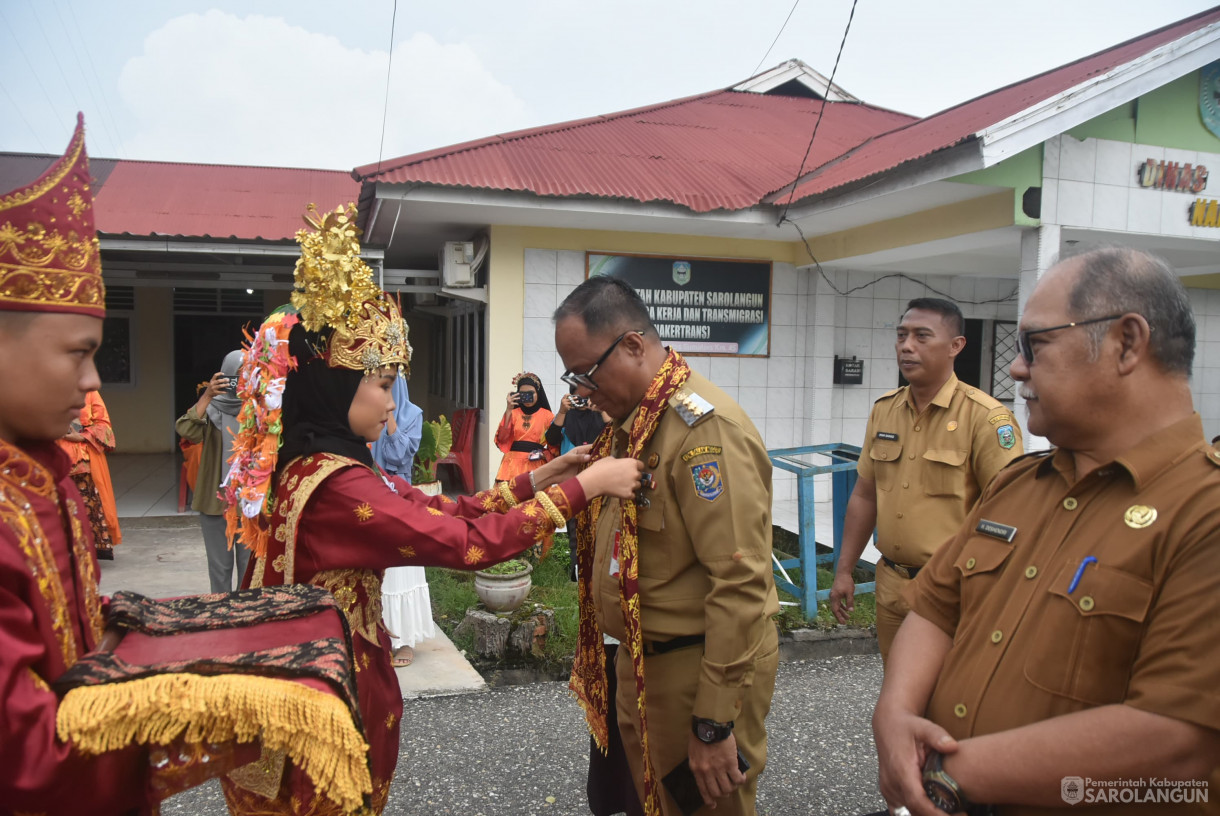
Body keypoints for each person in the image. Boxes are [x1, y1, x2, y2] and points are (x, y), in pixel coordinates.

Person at [220, 204, 644, 815]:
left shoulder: (321, 467)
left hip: (313, 682)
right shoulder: (339, 486)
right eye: (383, 384)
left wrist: (542, 477)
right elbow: (465, 545)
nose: (393, 405)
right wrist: (585, 487)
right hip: (325, 707)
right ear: (336, 387)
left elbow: (443, 508)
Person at [0, 115, 287, 815]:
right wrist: (223, 712)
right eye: (79, 351)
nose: (95, 380)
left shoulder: (42, 483)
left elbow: (62, 625)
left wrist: (152, 634)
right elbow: (28, 753)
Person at [873, 248, 1220, 816]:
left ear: (1127, 344)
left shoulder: (1204, 511)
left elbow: (1176, 738)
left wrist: (945, 775)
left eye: (1036, 344)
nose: (1016, 366)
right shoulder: (1020, 484)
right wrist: (893, 712)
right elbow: (937, 607)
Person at [556, 276, 780, 816]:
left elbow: (741, 580)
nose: (581, 390)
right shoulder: (633, 427)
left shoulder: (702, 431)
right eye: (573, 376)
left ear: (633, 345)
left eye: (587, 373)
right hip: (642, 662)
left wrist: (714, 720)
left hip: (697, 670)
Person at [829, 297, 1024, 663]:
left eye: (922, 336)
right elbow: (865, 496)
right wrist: (844, 570)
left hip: (953, 588)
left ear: (956, 346)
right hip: (891, 582)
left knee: (948, 695)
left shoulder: (985, 419)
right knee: (897, 689)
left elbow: (1010, 515)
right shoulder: (884, 410)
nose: (906, 346)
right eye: (902, 335)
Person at [370, 372, 433, 668]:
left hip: (398, 495)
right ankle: (375, 634)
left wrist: (389, 415)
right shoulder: (364, 411)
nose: (383, 392)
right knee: (372, 566)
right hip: (367, 494)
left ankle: (404, 639)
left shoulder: (412, 415)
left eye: (388, 386)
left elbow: (399, 456)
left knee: (400, 567)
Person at [175, 350, 252, 592]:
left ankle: (248, 618)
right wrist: (207, 395)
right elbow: (186, 429)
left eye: (248, 373)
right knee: (220, 570)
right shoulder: (210, 409)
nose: (241, 380)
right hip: (215, 500)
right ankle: (221, 618)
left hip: (250, 501)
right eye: (236, 375)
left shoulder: (260, 409)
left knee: (249, 570)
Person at [58, 389, 121, 559]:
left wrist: (82, 437)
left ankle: (85, 550)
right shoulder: (42, 388)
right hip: (52, 457)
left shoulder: (90, 392)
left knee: (86, 507)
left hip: (83, 458)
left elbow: (104, 426)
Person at [495, 371, 557, 481]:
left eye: (531, 393)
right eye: (523, 394)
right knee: (506, 497)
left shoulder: (548, 416)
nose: (527, 397)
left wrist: (544, 455)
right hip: (510, 467)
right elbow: (501, 438)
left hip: (535, 466)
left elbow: (554, 445)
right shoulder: (512, 413)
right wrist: (509, 409)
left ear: (538, 393)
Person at [546, 386, 611, 455]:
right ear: (572, 396)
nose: (582, 399)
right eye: (579, 397)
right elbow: (552, 440)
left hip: (597, 461)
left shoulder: (601, 412)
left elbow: (613, 434)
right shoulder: (565, 414)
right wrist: (562, 412)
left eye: (586, 395)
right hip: (570, 462)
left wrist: (602, 410)